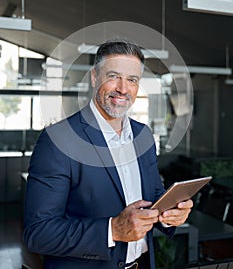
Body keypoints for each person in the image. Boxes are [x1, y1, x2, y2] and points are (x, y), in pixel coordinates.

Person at [23, 40, 193, 269]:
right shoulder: (58, 140)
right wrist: (112, 229)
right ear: (94, 78)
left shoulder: (143, 135)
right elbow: (39, 233)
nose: (123, 88)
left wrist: (171, 214)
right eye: (114, 76)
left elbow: (153, 195)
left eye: (132, 80)